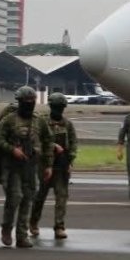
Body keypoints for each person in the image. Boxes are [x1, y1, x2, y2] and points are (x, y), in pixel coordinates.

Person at [0, 86, 54, 248]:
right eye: (26, 101)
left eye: (32, 101)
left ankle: (22, 235)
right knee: (15, 198)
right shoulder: (10, 120)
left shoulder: (38, 120)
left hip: (31, 165)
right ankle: (7, 228)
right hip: (12, 166)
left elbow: (48, 141)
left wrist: (48, 165)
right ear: (19, 102)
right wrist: (12, 149)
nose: (29, 104)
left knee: (28, 199)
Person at [31, 92, 78, 239]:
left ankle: (59, 226)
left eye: (61, 107)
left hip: (61, 166)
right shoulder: (42, 122)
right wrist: (52, 146)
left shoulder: (67, 124)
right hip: (44, 165)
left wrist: (70, 161)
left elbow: (73, 143)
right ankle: (33, 223)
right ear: (51, 106)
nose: (59, 109)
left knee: (61, 197)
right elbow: (35, 140)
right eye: (56, 107)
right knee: (40, 196)